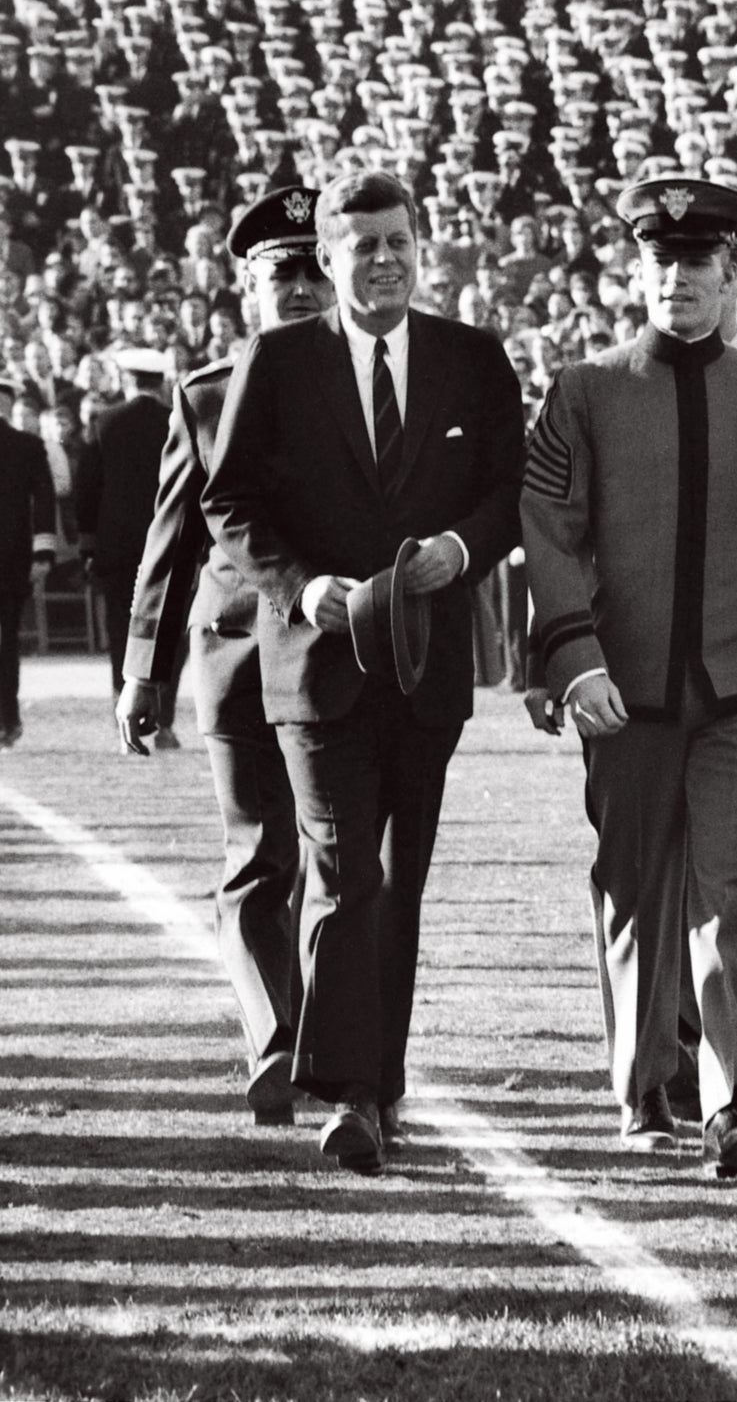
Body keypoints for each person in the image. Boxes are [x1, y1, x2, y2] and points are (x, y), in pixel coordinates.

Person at [521, 176, 737, 1176]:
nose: (679, 279)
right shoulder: (583, 389)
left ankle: (730, 1098)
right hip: (625, 695)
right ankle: (641, 1085)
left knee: (731, 892)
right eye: (661, 262)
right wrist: (571, 659)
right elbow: (549, 535)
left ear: (733, 275)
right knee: (633, 888)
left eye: (698, 264)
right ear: (636, 272)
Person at [202, 169, 525, 1173]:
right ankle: (349, 1093)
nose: (382, 259)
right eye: (363, 245)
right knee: (347, 869)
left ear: (420, 245)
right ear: (331, 257)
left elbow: (510, 495)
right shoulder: (280, 358)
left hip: (427, 672)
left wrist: (458, 555)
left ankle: (378, 1083)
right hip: (315, 668)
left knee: (401, 884)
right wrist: (304, 590)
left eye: (398, 240)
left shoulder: (474, 360)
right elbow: (233, 506)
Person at [114, 186, 332, 1124]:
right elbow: (169, 546)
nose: (300, 289)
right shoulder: (205, 392)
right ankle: (274, 1041)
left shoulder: (363, 387)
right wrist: (141, 671)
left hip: (333, 648)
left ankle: (328, 1042)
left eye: (313, 271)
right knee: (256, 854)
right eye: (281, 273)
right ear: (245, 282)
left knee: (336, 857)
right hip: (237, 645)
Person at [74, 347, 177, 738]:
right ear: (160, 381)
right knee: (169, 629)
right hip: (169, 544)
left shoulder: (105, 422)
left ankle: (126, 714)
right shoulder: (175, 421)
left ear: (127, 380)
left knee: (122, 628)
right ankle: (164, 721)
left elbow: (87, 489)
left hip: (116, 547)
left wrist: (88, 546)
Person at [0, 374, 56, 746]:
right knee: (8, 640)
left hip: (12, 556)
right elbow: (44, 503)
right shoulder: (28, 445)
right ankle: (8, 720)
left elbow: (44, 500)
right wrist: (43, 551)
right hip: (13, 556)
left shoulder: (28, 445)